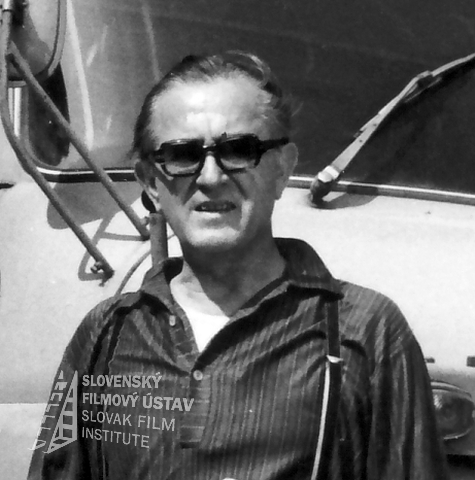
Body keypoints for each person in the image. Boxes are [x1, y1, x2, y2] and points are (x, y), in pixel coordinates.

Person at [28, 51, 449, 480]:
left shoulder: (366, 333)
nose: (210, 177)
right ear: (151, 183)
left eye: (238, 150)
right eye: (182, 155)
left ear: (283, 169)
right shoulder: (105, 336)